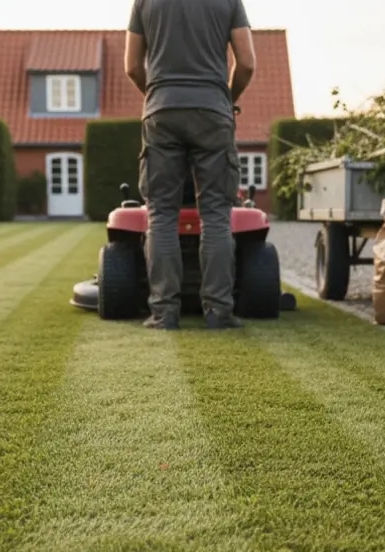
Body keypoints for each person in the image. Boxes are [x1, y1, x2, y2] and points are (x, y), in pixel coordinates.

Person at [125, 0, 256, 330]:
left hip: (161, 110)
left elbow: (132, 66)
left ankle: (165, 313)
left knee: (161, 214)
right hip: (213, 111)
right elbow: (246, 64)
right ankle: (218, 312)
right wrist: (228, 99)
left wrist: (156, 96)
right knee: (215, 214)